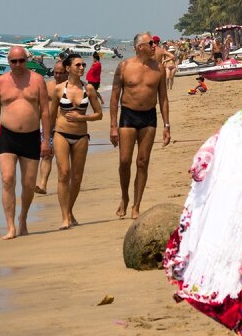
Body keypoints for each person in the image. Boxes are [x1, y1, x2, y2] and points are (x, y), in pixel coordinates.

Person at [0, 46, 51, 239]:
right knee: (8, 179)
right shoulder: (1, 81)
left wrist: (46, 141)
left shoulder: (37, 80)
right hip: (7, 136)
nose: (17, 64)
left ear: (26, 60)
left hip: (31, 136)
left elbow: (45, 112)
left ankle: (22, 218)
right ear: (8, 62)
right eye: (13, 61)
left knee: (29, 184)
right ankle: (10, 227)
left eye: (21, 60)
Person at [109, 32, 171, 220]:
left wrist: (167, 125)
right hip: (128, 115)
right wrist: (113, 125)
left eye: (154, 43)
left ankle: (136, 204)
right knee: (125, 161)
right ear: (139, 46)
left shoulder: (158, 68)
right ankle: (125, 197)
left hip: (149, 118)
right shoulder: (124, 66)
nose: (154, 46)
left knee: (142, 162)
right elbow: (114, 97)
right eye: (150, 43)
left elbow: (163, 98)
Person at [47, 54, 102, 229]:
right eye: (78, 65)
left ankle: (69, 211)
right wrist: (45, 140)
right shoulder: (58, 89)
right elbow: (50, 115)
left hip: (81, 137)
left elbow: (99, 114)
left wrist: (81, 117)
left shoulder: (89, 89)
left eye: (83, 65)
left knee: (77, 178)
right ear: (68, 68)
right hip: (61, 133)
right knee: (64, 174)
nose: (82, 67)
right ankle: (64, 218)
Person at [35, 59, 67, 194]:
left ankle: (65, 183)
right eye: (55, 72)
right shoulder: (48, 86)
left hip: (66, 127)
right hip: (49, 127)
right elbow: (39, 106)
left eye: (61, 73)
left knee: (63, 159)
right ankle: (42, 184)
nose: (57, 75)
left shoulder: (71, 87)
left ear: (67, 72)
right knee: (47, 154)